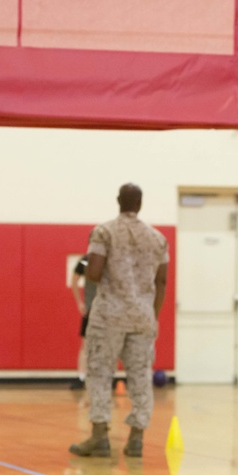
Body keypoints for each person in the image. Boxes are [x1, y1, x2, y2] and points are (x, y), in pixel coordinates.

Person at [69, 183, 168, 459]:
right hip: (142, 316)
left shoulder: (104, 231)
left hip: (110, 315)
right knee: (140, 376)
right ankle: (136, 438)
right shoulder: (158, 238)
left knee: (100, 372)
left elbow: (94, 273)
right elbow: (162, 281)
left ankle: (100, 435)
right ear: (140, 204)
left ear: (118, 201)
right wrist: (153, 315)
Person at [68, 241, 99, 390]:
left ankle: (105, 377)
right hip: (90, 309)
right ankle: (81, 377)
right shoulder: (85, 261)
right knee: (86, 344)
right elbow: (74, 280)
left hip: (107, 311)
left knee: (108, 345)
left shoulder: (110, 260)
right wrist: (79, 302)